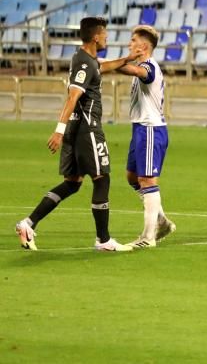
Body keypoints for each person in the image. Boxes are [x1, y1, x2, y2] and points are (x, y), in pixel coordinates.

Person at [15, 16, 141, 252]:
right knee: (102, 178)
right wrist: (58, 131)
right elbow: (73, 96)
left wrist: (127, 59)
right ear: (96, 36)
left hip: (76, 130)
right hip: (87, 129)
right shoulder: (85, 63)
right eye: (104, 33)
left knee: (72, 184)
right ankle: (103, 240)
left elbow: (102, 67)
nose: (106, 37)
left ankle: (28, 223)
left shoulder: (84, 58)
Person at [110, 26, 176, 248]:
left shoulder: (149, 67)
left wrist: (117, 63)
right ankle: (161, 220)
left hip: (150, 129)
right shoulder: (143, 65)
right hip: (140, 128)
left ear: (143, 46)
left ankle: (148, 237)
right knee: (132, 177)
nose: (130, 44)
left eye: (133, 40)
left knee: (147, 180)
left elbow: (136, 72)